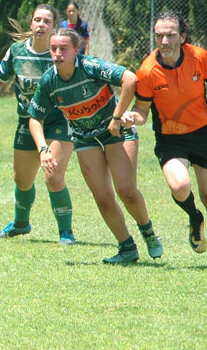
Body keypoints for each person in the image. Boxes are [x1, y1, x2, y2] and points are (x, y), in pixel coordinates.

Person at [28, 27, 164, 264]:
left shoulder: (90, 66)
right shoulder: (50, 80)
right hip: (85, 138)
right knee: (102, 197)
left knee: (126, 191)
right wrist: (43, 149)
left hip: (116, 132)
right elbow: (34, 118)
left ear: (76, 50)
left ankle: (148, 232)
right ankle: (127, 248)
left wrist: (117, 116)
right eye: (53, 49)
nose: (57, 54)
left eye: (63, 49)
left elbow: (130, 79)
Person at [125, 11, 207, 268]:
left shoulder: (199, 56)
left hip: (202, 133)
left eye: (170, 35)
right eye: (159, 35)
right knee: (180, 187)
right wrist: (134, 115)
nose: (164, 41)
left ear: (182, 36)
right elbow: (142, 110)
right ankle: (194, 217)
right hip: (170, 138)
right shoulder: (147, 70)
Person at [0, 4, 76, 245]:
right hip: (27, 121)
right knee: (22, 180)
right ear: (31, 23)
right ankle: (21, 224)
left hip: (58, 121)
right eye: (37, 20)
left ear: (54, 26)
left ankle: (66, 232)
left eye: (46, 21)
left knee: (53, 175)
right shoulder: (17, 51)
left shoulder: (59, 53)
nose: (41, 24)